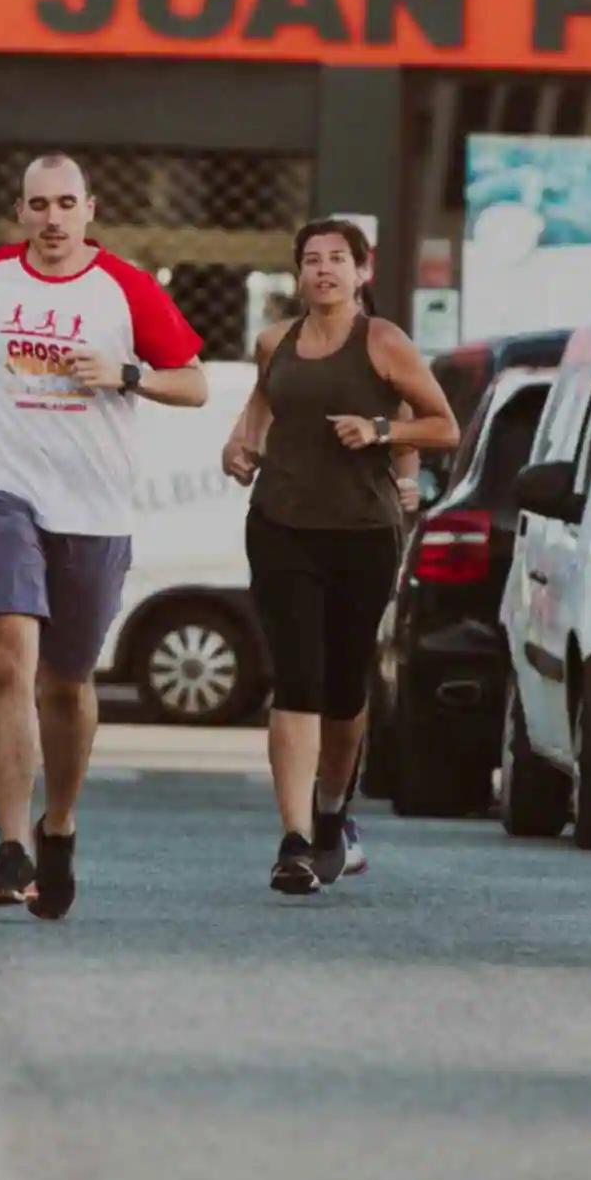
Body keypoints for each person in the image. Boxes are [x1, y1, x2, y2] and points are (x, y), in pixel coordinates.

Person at [0, 154, 209, 919]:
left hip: (92, 507)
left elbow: (190, 381)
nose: (52, 218)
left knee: (66, 681)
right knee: (5, 657)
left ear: (89, 209)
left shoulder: (125, 287)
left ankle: (58, 824)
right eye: (38, 204)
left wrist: (127, 374)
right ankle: (12, 843)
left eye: (66, 203)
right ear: (19, 213)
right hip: (0, 486)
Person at [220, 218, 461, 893]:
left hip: (361, 530)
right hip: (280, 523)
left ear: (362, 272)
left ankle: (331, 812)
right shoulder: (276, 342)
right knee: (296, 674)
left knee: (343, 685)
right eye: (311, 260)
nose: (322, 270)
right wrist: (237, 448)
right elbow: (256, 414)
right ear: (297, 272)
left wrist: (381, 428)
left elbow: (444, 425)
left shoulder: (382, 342)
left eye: (336, 260)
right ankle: (294, 841)